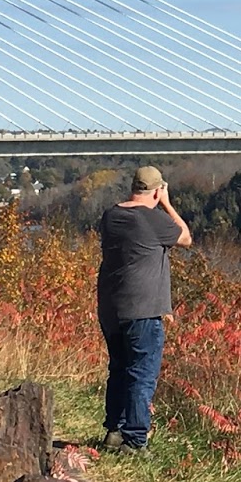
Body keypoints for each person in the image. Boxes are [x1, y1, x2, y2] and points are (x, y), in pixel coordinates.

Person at [96, 165, 192, 452]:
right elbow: (185, 237)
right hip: (143, 310)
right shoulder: (152, 220)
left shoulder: (111, 216)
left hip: (111, 310)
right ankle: (136, 440)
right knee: (142, 373)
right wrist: (167, 204)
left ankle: (114, 431)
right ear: (156, 190)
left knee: (120, 369)